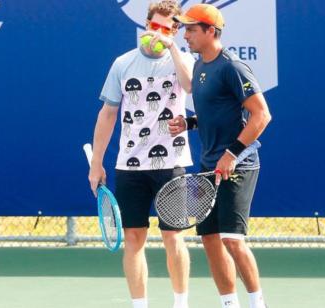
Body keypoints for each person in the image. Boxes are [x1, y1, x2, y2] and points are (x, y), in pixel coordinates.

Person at [87, 1, 195, 308]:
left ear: (175, 31)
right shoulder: (122, 63)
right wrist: (97, 162)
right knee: (134, 239)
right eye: (154, 26)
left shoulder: (182, 59)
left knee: (173, 237)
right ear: (145, 25)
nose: (157, 34)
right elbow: (107, 114)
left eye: (166, 28)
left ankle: (180, 303)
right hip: (130, 166)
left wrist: (173, 48)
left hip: (172, 164)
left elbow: (189, 86)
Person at [169, 4, 272, 308]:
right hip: (209, 166)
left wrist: (231, 154)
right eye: (184, 29)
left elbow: (261, 115)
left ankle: (257, 304)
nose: (185, 35)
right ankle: (230, 304)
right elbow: (217, 111)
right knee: (210, 239)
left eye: (190, 29)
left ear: (210, 31)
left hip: (238, 165)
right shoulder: (200, 65)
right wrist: (189, 123)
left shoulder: (233, 67)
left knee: (232, 240)